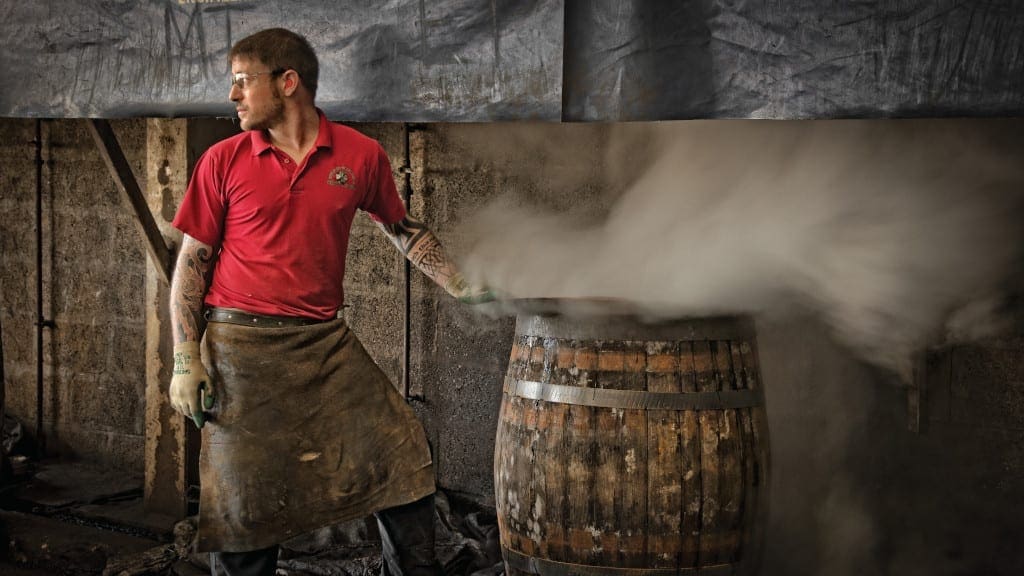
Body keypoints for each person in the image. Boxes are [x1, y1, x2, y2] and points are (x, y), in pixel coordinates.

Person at [168, 27, 491, 576]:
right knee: (243, 505)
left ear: (288, 83)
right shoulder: (222, 160)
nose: (233, 95)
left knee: (402, 457)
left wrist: (462, 285)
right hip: (241, 348)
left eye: (244, 81)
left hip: (324, 343)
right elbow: (191, 265)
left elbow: (403, 230)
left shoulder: (360, 156)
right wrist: (185, 358)